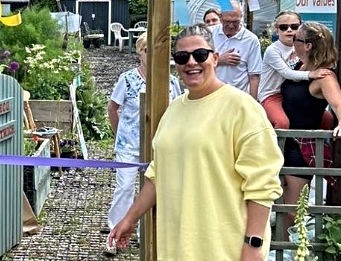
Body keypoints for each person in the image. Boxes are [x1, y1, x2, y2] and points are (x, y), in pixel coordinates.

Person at [110, 23, 283, 260]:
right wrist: (130, 219)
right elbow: (158, 174)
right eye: (182, 57)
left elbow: (262, 185)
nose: (191, 62)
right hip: (176, 247)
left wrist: (253, 245)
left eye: (200, 54)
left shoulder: (242, 108)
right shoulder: (173, 111)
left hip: (225, 248)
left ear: (215, 58)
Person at [103, 32, 181, 254]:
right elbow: (112, 108)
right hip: (129, 145)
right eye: (147, 50)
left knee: (156, 190)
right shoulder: (127, 79)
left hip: (160, 146)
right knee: (125, 188)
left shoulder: (171, 81)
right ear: (139, 52)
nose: (153, 55)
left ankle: (147, 234)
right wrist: (120, 133)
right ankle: (114, 234)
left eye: (158, 50)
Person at [280, 22, 341, 235]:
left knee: (291, 209)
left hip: (300, 146)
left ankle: (287, 251)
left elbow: (340, 104)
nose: (291, 40)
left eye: (296, 39)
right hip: (283, 141)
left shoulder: (324, 76)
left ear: (308, 46)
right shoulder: (298, 67)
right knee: (279, 201)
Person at [258, 11, 332, 129]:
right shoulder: (273, 50)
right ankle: (278, 147)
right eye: (283, 27)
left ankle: (317, 146)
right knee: (282, 123)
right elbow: (287, 73)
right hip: (272, 94)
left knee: (327, 119)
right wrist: (311, 74)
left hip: (293, 92)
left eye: (294, 26)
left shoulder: (302, 46)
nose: (289, 30)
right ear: (277, 30)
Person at [211, 1, 263, 99]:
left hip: (237, 98)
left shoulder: (251, 40)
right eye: (227, 21)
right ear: (220, 17)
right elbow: (198, 63)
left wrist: (253, 103)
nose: (231, 26)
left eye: (235, 22)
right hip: (212, 95)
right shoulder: (210, 33)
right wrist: (218, 60)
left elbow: (254, 76)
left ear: (241, 18)